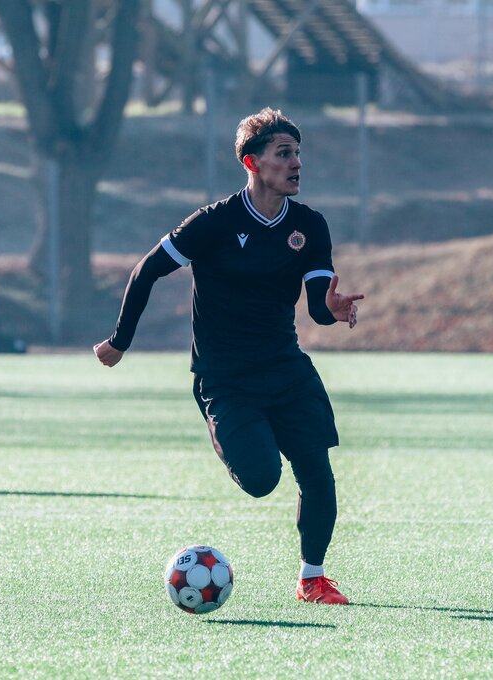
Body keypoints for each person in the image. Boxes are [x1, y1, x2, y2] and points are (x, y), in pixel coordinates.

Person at [94, 108, 364, 605]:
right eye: (284, 153)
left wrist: (332, 309)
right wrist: (120, 340)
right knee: (262, 480)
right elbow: (146, 271)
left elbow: (317, 308)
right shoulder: (213, 223)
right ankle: (234, 433)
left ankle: (312, 578)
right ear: (252, 162)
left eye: (298, 153)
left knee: (317, 472)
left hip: (286, 369)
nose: (296, 163)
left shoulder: (309, 226)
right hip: (225, 378)